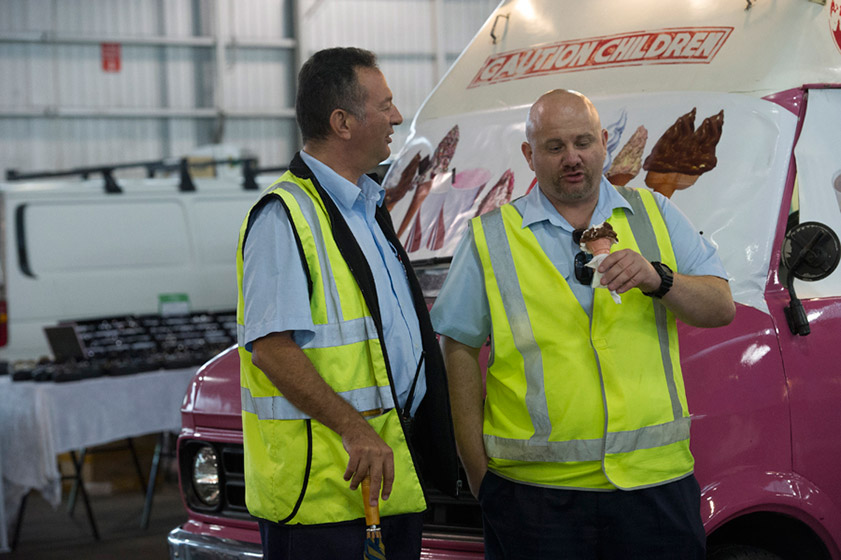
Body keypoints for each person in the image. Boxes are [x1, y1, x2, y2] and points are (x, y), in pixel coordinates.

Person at [431, 89, 736, 559]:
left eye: (583, 142)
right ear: (529, 155)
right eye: (555, 147)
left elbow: (721, 307)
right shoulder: (491, 236)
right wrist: (478, 473)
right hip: (534, 496)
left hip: (654, 486)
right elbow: (458, 349)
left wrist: (660, 279)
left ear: (603, 143)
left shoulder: (654, 212)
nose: (572, 158)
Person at [235, 47, 458, 560]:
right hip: (323, 495)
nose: (396, 117)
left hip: (383, 478)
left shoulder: (366, 208)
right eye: (384, 105)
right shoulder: (284, 216)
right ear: (342, 122)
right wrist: (356, 428)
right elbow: (271, 349)